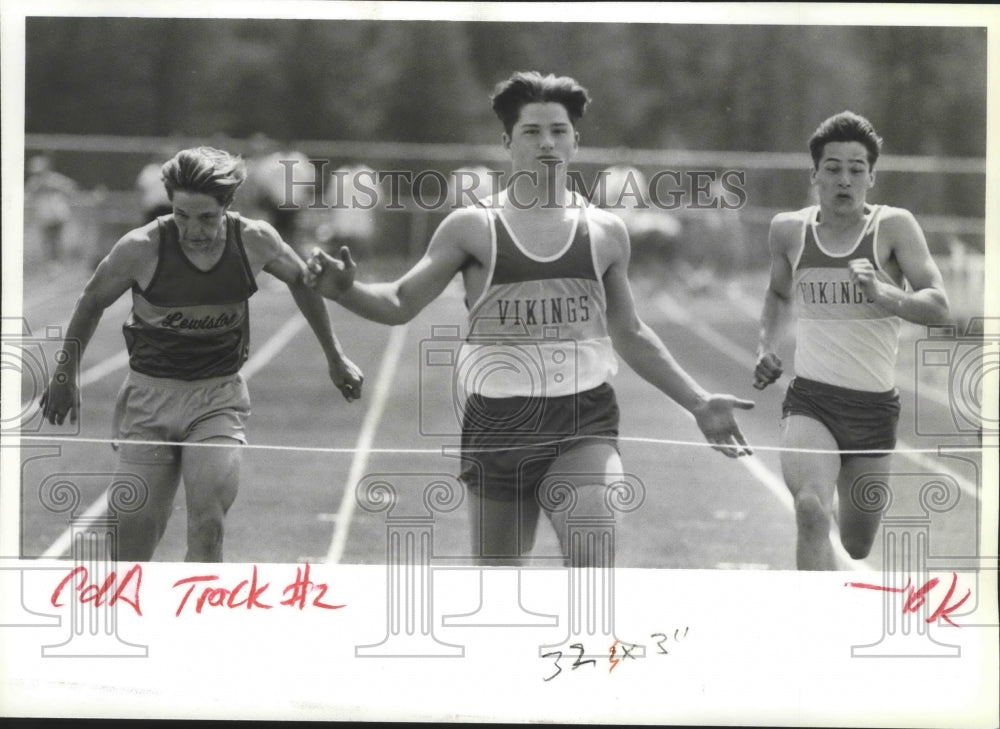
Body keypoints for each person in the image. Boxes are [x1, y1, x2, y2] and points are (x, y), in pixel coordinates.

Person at [305, 71, 754, 567]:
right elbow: (398, 303)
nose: (547, 143)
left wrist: (698, 402)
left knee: (593, 558)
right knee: (500, 583)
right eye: (532, 132)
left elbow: (628, 332)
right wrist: (345, 290)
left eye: (558, 131)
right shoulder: (472, 228)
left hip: (583, 418)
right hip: (498, 424)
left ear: (576, 142)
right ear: (507, 142)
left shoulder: (605, 232)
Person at [40, 146, 364, 562]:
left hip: (217, 399)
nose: (192, 230)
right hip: (148, 400)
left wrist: (335, 358)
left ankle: (195, 623)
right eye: (181, 216)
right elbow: (90, 302)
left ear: (228, 206)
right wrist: (64, 376)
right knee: (128, 544)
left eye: (206, 218)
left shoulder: (255, 240)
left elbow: (302, 282)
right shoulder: (140, 247)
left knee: (208, 525)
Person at [753, 111, 950, 570]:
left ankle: (832, 558)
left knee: (857, 544)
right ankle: (819, 627)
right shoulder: (789, 230)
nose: (844, 180)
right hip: (812, 402)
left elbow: (939, 308)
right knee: (809, 510)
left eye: (856, 170)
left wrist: (884, 292)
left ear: (871, 177)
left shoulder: (893, 227)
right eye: (834, 168)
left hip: (873, 408)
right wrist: (766, 347)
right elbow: (779, 294)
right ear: (815, 174)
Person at [25, 154, 79, 262]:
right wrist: (38, 189)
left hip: (58, 214)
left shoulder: (55, 179)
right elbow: (28, 196)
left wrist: (55, 186)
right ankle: (49, 264)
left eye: (40, 171)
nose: (38, 174)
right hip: (45, 216)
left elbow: (72, 187)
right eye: (36, 172)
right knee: (47, 242)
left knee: (58, 241)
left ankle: (59, 263)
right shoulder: (34, 183)